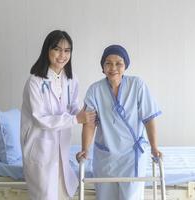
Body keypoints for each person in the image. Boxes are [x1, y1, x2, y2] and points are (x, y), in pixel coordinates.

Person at [76, 44, 162, 200]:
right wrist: (85, 149)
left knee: (131, 197)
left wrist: (154, 148)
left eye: (118, 63)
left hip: (132, 157)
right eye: (108, 63)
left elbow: (149, 119)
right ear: (102, 67)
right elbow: (89, 123)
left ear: (125, 66)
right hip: (106, 157)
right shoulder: (95, 90)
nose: (113, 67)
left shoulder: (137, 85)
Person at [20, 30, 96, 200]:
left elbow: (73, 107)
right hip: (41, 151)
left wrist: (88, 113)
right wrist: (76, 119)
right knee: (46, 195)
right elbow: (41, 119)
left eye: (67, 50)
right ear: (47, 50)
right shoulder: (35, 81)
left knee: (63, 194)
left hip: (61, 149)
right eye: (57, 49)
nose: (62, 55)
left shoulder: (71, 79)